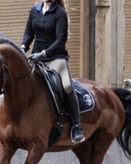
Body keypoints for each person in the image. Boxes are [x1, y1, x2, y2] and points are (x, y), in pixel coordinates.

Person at [20, 0, 85, 143]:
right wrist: (23, 47)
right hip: (36, 58)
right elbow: (28, 33)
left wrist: (44, 53)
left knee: (67, 86)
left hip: (56, 57)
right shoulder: (34, 11)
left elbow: (61, 39)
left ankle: (77, 126)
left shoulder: (60, 13)